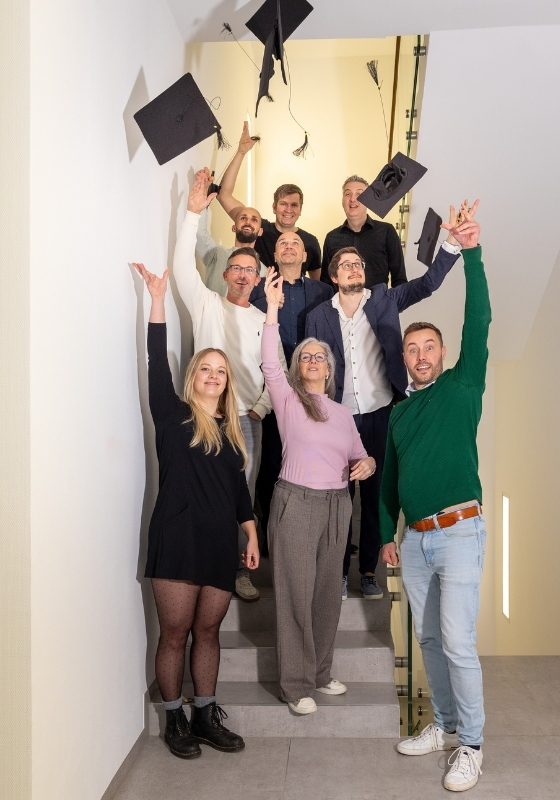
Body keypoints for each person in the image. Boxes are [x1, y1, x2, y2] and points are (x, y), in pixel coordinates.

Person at [379, 202, 489, 792]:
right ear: (404, 359)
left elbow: (479, 319)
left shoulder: (463, 385)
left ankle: (471, 744)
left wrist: (471, 253)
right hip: (415, 541)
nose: (420, 355)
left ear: (442, 353)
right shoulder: (399, 415)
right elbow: (389, 484)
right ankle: (444, 727)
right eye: (412, 349)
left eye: (429, 346)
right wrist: (386, 537)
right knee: (426, 640)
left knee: (456, 641)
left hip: (460, 532)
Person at [133, 261, 259, 759]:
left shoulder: (232, 433)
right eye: (206, 368)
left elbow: (239, 494)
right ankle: (174, 720)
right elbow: (155, 360)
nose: (213, 375)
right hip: (176, 538)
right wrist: (157, 301)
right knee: (175, 634)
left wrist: (251, 535)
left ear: (228, 382)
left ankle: (205, 715)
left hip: (218, 543)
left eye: (220, 371)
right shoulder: (172, 414)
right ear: (194, 376)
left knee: (208, 632)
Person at [306, 214, 462, 600]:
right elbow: (312, 370)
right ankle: (338, 574)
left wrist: (453, 244)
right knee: (339, 499)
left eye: (358, 263)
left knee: (376, 496)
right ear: (334, 276)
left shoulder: (385, 299)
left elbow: (427, 284)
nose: (354, 268)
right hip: (338, 419)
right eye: (346, 265)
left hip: (381, 413)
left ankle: (368, 571)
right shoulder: (317, 317)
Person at [261, 267, 375, 715]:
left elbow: (360, 455)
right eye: (305, 356)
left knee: (328, 594)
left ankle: (321, 673)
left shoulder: (343, 413)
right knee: (295, 594)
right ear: (298, 368)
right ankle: (296, 685)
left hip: (337, 505)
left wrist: (367, 464)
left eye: (319, 357)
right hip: (296, 502)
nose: (312, 360)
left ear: (329, 369)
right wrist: (273, 309)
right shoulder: (288, 399)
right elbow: (269, 362)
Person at [173, 169, 287, 603]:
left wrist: (259, 408)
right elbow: (182, 268)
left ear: (258, 280)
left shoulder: (263, 320)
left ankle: (239, 570)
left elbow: (276, 370)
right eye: (236, 268)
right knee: (198, 492)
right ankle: (202, 564)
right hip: (202, 417)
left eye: (249, 271)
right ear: (224, 274)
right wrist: (192, 214)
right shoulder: (205, 304)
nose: (242, 275)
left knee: (241, 498)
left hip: (246, 422)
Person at [251, 232, 334, 550]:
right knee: (270, 464)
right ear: (274, 255)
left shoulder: (323, 292)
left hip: (311, 389)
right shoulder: (259, 289)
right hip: (270, 390)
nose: (289, 246)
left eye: (295, 244)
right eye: (282, 243)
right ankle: (273, 537)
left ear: (305, 257)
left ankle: (314, 533)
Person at [217, 122, 322, 279]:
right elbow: (224, 195)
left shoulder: (310, 242)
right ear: (274, 207)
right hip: (255, 293)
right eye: (283, 204)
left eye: (294, 205)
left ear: (300, 209)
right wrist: (241, 152)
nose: (288, 210)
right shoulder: (258, 226)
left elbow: (316, 283)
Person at [321, 175, 407, 289]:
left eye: (359, 194)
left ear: (368, 201)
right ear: (342, 202)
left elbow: (400, 279)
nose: (352, 199)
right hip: (341, 300)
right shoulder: (332, 238)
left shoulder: (386, 232)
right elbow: (326, 283)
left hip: (378, 300)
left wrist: (390, 301)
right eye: (348, 194)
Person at [195, 168, 268, 296]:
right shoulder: (216, 254)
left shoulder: (264, 273)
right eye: (243, 218)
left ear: (260, 231)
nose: (248, 222)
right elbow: (199, 232)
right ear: (234, 227)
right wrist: (203, 193)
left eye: (254, 220)